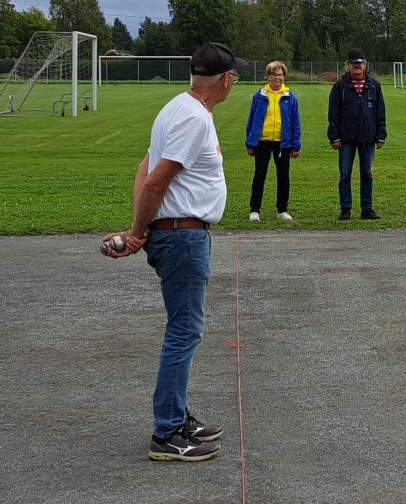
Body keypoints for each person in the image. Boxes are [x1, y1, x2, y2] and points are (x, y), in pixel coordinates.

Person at [102, 42, 247, 462]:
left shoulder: (177, 108)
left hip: (177, 232)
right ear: (225, 80)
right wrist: (137, 231)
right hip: (183, 236)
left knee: (185, 329)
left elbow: (144, 168)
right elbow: (153, 181)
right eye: (234, 76)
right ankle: (167, 432)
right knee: (184, 331)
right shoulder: (194, 118)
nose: (235, 82)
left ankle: (178, 417)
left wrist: (140, 229)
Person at [328, 48, 387, 220]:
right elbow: (333, 114)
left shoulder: (374, 85)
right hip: (346, 139)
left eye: (359, 63)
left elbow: (380, 112)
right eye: (353, 63)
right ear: (348, 65)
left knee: (366, 174)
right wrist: (334, 136)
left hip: (368, 137)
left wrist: (381, 135)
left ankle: (367, 208)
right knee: (345, 174)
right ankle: (345, 208)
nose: (356, 66)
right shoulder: (339, 86)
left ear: (365, 64)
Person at [243, 60, 301, 222]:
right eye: (274, 74)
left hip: (283, 143)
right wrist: (250, 143)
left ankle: (282, 210)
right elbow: (252, 120)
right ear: (268, 77)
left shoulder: (290, 97)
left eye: (280, 74)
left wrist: (296, 145)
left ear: (284, 76)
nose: (277, 77)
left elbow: (295, 122)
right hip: (262, 142)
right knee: (259, 176)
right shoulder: (259, 96)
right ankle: (254, 210)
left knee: (283, 177)